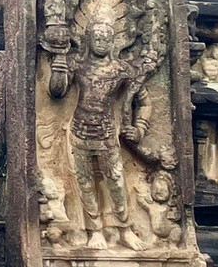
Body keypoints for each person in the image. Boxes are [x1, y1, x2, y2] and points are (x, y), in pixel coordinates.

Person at [49, 21, 146, 251]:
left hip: (107, 131)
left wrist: (139, 127)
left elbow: (143, 100)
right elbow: (57, 91)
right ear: (88, 40)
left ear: (113, 42)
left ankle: (125, 229)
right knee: (85, 183)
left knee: (116, 181)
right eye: (97, 37)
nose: (101, 42)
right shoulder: (78, 64)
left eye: (106, 38)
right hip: (80, 130)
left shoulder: (121, 69)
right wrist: (59, 60)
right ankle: (95, 230)